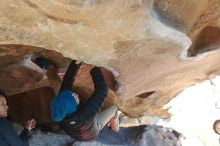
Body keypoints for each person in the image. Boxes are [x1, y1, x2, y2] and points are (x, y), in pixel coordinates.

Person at [32, 55, 120, 141]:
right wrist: (94, 68)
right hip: (91, 132)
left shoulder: (60, 111)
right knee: (114, 109)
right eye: (75, 97)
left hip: (73, 130)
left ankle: (49, 69)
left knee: (60, 87)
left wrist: (76, 63)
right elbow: (102, 91)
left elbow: (68, 81)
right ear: (75, 106)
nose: (76, 94)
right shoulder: (86, 115)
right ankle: (115, 124)